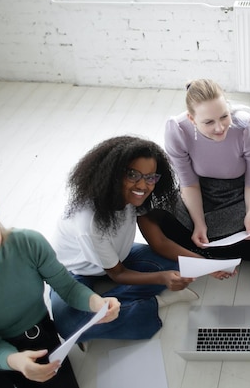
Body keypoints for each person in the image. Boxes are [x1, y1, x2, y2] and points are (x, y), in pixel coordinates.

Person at [0, 181, 120, 388]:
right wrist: (16, 361)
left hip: (39, 339)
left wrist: (97, 303)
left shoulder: (29, 243)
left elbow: (68, 288)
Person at [49, 135, 200, 344]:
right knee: (69, 324)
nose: (143, 185)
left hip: (118, 257)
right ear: (112, 174)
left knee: (177, 264)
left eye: (150, 177)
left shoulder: (139, 197)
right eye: (133, 175)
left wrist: (205, 263)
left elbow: (160, 243)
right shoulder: (89, 222)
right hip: (75, 272)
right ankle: (153, 303)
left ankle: (119, 309)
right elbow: (118, 274)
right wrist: (163, 278)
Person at [160, 79, 250, 266]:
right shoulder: (177, 130)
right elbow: (189, 185)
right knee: (166, 222)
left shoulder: (249, 128)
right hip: (202, 191)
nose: (220, 128)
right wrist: (199, 223)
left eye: (224, 116)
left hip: (241, 190)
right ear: (191, 119)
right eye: (208, 122)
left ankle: (215, 251)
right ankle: (224, 249)